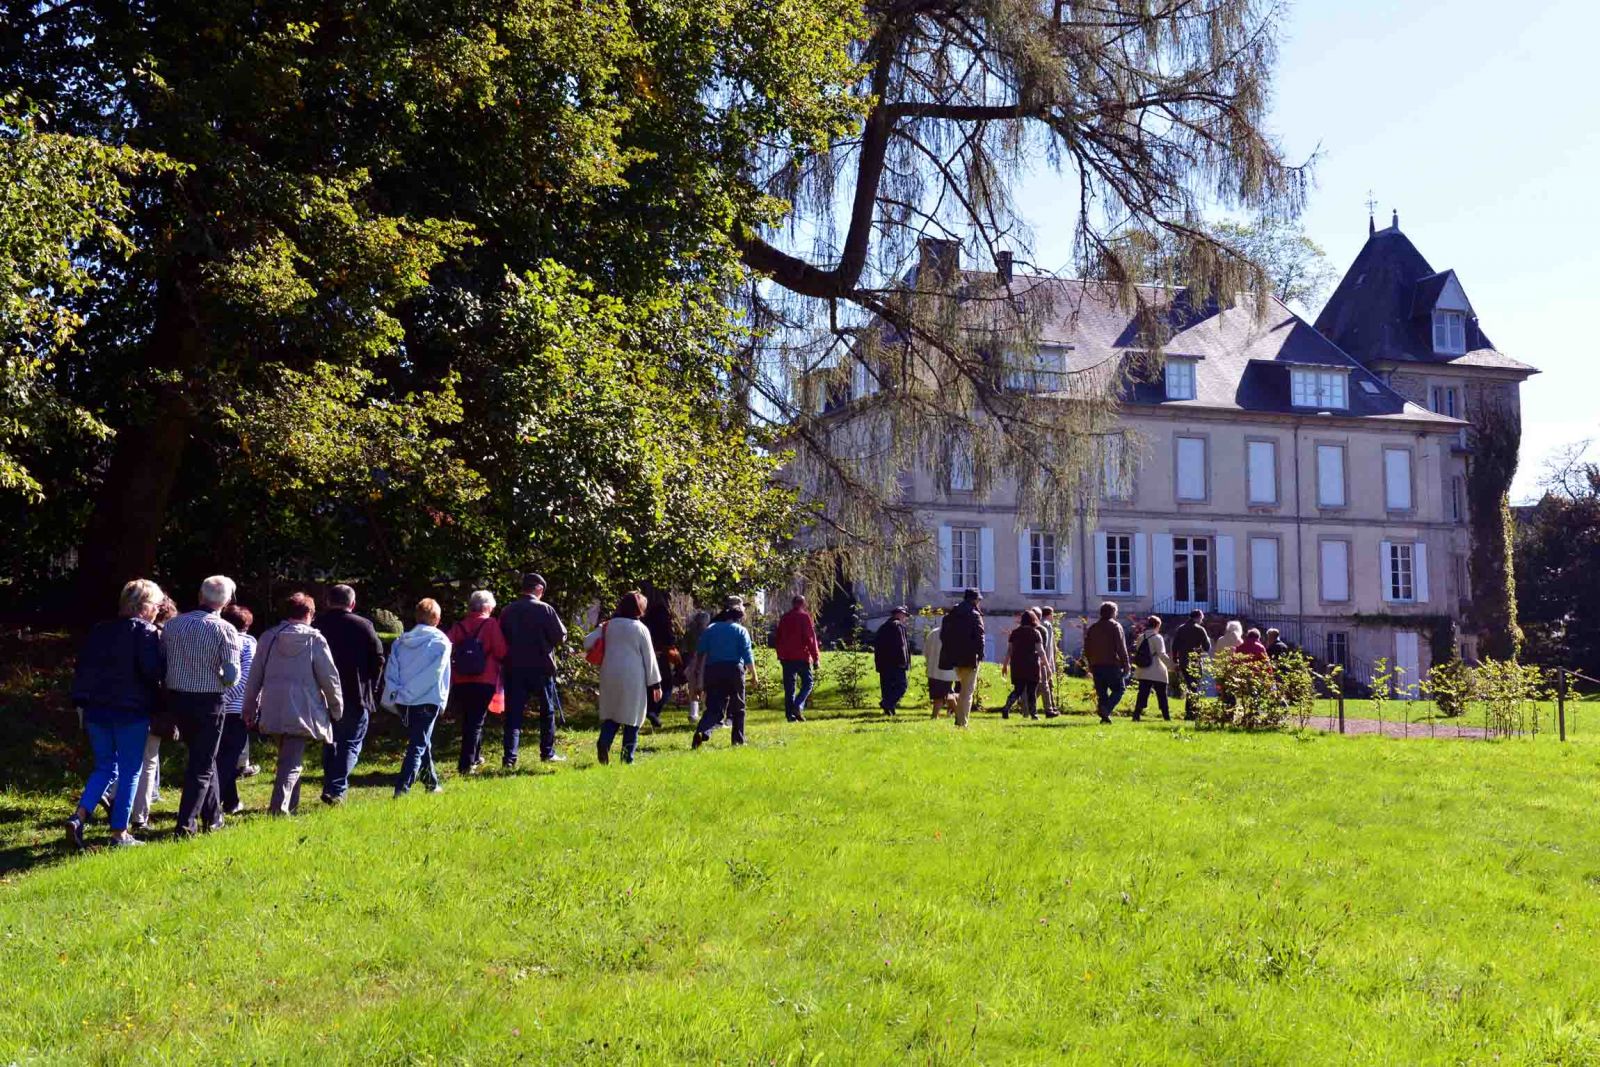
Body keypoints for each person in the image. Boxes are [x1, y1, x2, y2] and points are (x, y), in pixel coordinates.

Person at [67, 579, 166, 849]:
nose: (158, 610)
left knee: (104, 766)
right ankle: (119, 832)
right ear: (145, 606)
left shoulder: (100, 630)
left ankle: (79, 816)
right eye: (156, 605)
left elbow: (84, 669)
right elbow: (152, 673)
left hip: (96, 709)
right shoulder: (146, 632)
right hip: (130, 711)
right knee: (130, 770)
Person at [241, 593, 344, 816]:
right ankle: (278, 809)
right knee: (292, 762)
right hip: (304, 708)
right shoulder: (315, 639)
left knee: (288, 757)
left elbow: (255, 675)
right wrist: (337, 708)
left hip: (273, 706)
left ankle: (291, 805)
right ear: (309, 614)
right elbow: (330, 678)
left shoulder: (268, 637)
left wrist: (249, 707)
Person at [163, 575, 243, 836]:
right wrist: (219, 678)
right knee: (202, 764)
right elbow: (231, 675)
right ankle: (186, 825)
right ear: (227, 601)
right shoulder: (225, 629)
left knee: (202, 758)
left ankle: (214, 816)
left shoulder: (173, 625)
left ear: (200, 595)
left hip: (177, 698)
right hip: (209, 701)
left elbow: (163, 660)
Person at [312, 584, 385, 805]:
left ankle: (330, 784)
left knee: (330, 741)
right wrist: (372, 684)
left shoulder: (317, 626)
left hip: (323, 691)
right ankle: (336, 788)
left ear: (327, 601)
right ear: (352, 603)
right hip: (355, 691)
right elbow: (378, 658)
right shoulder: (363, 626)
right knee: (350, 742)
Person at [383, 599, 453, 796]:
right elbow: (435, 673)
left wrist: (399, 693)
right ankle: (402, 788)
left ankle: (431, 783)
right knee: (418, 745)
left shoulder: (401, 641)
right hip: (427, 699)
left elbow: (392, 670)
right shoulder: (441, 641)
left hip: (404, 700)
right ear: (437, 619)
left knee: (422, 741)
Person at [497, 573, 568, 767]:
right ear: (538, 589)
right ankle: (547, 752)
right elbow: (560, 636)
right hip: (541, 668)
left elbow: (500, 638)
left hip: (514, 668)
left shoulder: (507, 611)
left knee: (513, 714)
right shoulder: (545, 609)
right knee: (547, 711)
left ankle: (509, 758)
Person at [583, 591, 662, 764]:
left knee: (612, 713)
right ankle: (627, 758)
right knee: (633, 717)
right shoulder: (640, 628)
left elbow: (587, 642)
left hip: (609, 673)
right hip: (633, 676)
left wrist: (601, 630)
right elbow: (649, 658)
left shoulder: (608, 625)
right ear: (640, 609)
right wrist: (655, 684)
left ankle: (604, 743)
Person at [128, 596, 180, 831]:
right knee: (149, 760)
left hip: (127, 703)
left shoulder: (132, 633)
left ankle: (119, 802)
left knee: (126, 757)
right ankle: (140, 815)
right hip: (153, 705)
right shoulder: (161, 638)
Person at [447, 590, 508, 775]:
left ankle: (475, 756)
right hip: (484, 680)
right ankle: (466, 764)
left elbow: (446, 646)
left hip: (461, 679)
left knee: (469, 719)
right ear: (486, 606)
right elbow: (501, 651)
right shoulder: (490, 624)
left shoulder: (459, 626)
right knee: (476, 721)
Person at [691, 597, 759, 749]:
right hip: (734, 670)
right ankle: (738, 740)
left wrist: (698, 677)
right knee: (738, 707)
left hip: (713, 670)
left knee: (714, 707)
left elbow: (701, 653)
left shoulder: (710, 629)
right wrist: (754, 675)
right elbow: (747, 655)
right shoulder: (741, 631)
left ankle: (702, 731)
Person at [216, 604, 256, 815]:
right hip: (236, 710)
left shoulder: (218, 637)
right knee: (229, 759)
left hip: (217, 705)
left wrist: (220, 698)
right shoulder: (248, 643)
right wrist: (226, 698)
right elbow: (247, 677)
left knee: (222, 757)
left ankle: (231, 801)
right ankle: (217, 801)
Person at [938, 588, 986, 728]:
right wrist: (980, 654)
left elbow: (943, 636)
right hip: (969, 657)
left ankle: (959, 719)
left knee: (962, 690)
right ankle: (961, 722)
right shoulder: (975, 615)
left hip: (953, 657)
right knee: (967, 691)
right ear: (975, 600)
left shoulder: (952, 614)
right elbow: (980, 637)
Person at [773, 595, 821, 723]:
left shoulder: (784, 618)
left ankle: (790, 716)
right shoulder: (804, 617)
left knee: (789, 687)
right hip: (801, 656)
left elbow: (778, 638)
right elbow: (810, 638)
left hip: (786, 657)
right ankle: (798, 706)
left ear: (792, 603)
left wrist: (780, 655)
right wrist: (816, 658)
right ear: (803, 604)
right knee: (808, 682)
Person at [1084, 601, 1130, 723]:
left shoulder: (1093, 628)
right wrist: (1126, 664)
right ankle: (1106, 709)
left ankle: (1105, 717)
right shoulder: (1115, 626)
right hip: (1112, 664)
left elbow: (1087, 648)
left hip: (1096, 664)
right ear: (1113, 612)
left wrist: (1090, 663)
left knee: (1102, 693)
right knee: (1119, 689)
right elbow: (1121, 647)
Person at [641, 590, 681, 729]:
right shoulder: (661, 612)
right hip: (660, 650)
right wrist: (671, 644)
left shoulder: (643, 613)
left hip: (644, 650)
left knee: (649, 683)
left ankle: (649, 708)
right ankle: (653, 710)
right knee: (667, 683)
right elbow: (666, 631)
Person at [1001, 609, 1048, 720]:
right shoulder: (1035, 633)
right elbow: (1041, 651)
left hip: (1017, 665)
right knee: (1032, 691)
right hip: (1032, 665)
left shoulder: (1015, 633)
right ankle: (1033, 713)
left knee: (1018, 690)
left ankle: (1006, 707)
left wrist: (1005, 665)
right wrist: (1047, 666)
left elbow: (1009, 650)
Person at [1169, 609, 1212, 721]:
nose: (1202, 620)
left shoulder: (1181, 629)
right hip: (1194, 661)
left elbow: (1174, 646)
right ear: (1198, 617)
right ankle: (1191, 712)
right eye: (1201, 618)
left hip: (1183, 661)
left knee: (1190, 686)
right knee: (1194, 687)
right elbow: (1207, 647)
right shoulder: (1200, 630)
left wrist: (1175, 659)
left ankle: (1190, 712)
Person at [1130, 615, 1176, 721]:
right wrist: (1172, 666)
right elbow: (1162, 654)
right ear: (1157, 625)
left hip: (1143, 670)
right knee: (1162, 695)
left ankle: (1136, 715)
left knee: (1142, 694)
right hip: (1157, 670)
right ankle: (1166, 716)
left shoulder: (1141, 637)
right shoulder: (1157, 637)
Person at [873, 606, 912, 716]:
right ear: (899, 614)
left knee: (887, 688)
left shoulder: (883, 627)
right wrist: (904, 662)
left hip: (883, 663)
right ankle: (887, 704)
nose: (905, 618)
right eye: (904, 615)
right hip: (896, 663)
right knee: (901, 686)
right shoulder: (898, 626)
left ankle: (889, 709)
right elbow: (901, 646)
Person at [922, 610, 958, 718]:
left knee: (941, 694)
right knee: (946, 693)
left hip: (933, 670)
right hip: (946, 671)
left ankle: (936, 715)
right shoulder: (953, 635)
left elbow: (926, 652)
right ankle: (958, 715)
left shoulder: (933, 633)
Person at [680, 607, 712, 725]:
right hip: (705, 662)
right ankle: (705, 713)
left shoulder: (690, 632)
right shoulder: (709, 632)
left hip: (693, 662)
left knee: (693, 688)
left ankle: (694, 714)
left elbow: (683, 649)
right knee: (705, 688)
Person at [1038, 607, 1061, 717]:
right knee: (1044, 685)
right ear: (1050, 614)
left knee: (1048, 684)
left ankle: (1052, 707)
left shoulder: (1040, 623)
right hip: (1047, 659)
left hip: (1046, 659)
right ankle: (1026, 702)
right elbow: (1049, 645)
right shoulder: (1047, 624)